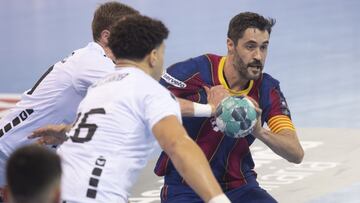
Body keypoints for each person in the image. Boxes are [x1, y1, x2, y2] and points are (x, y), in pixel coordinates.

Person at [38, 15, 231, 203]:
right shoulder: (149, 90)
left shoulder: (99, 87)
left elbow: (104, 130)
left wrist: (68, 132)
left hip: (55, 193)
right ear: (153, 57)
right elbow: (178, 145)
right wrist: (218, 199)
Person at [154, 12, 304, 202]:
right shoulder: (194, 72)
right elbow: (150, 104)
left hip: (239, 186)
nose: (258, 56)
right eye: (250, 46)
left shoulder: (267, 89)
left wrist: (259, 131)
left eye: (264, 47)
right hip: (186, 186)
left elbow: (296, 153)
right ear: (230, 45)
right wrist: (207, 108)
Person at [0, 1, 139, 188]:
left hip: (32, 162)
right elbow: (145, 95)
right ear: (107, 36)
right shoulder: (92, 62)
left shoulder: (97, 61)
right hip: (8, 156)